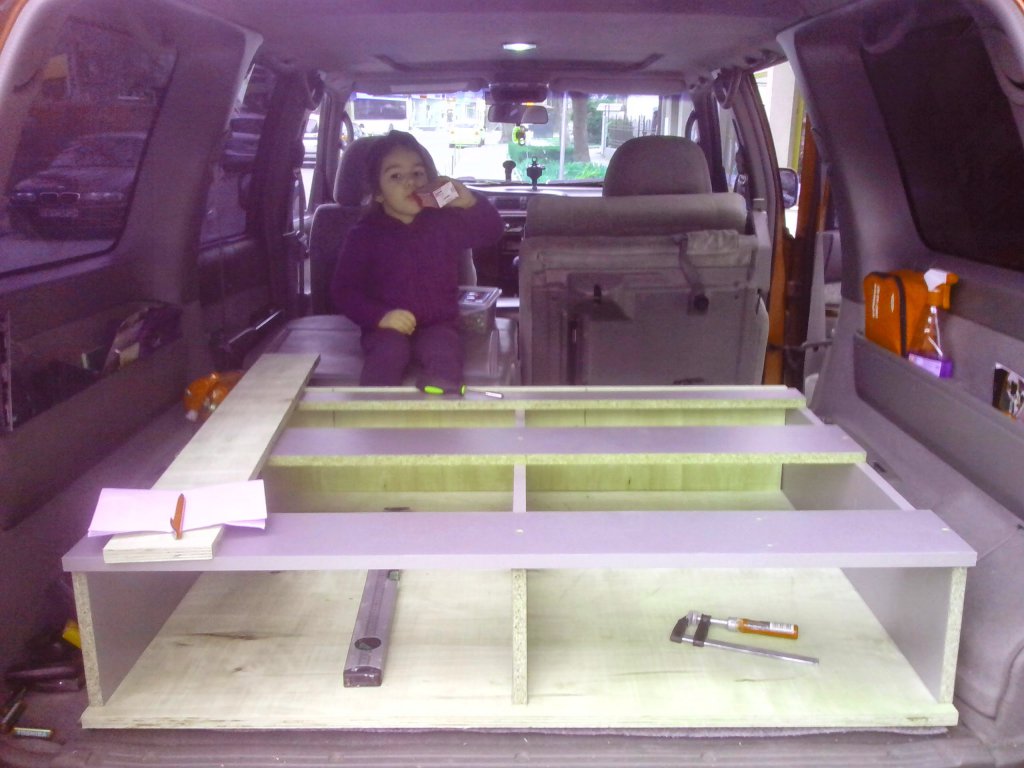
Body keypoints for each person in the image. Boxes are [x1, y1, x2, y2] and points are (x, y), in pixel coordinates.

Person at [330, 131, 503, 387]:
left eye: (418, 174)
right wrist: (380, 316)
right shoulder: (364, 235)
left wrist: (469, 203)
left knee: (445, 356)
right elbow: (344, 291)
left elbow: (492, 232)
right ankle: (373, 406)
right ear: (378, 193)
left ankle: (441, 402)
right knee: (389, 353)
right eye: (396, 176)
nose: (410, 183)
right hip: (385, 326)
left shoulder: (443, 223)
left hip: (438, 323)